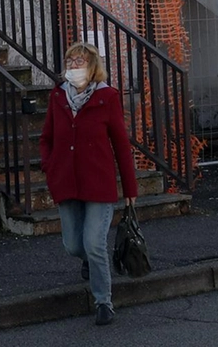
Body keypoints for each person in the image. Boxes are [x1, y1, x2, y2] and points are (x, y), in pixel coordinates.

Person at [39, 41, 139, 326]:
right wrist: (49, 165)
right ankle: (91, 262)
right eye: (70, 62)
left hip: (98, 182)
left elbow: (121, 144)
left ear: (92, 66)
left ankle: (103, 301)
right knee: (73, 245)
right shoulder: (58, 97)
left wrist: (130, 188)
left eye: (79, 62)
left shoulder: (107, 97)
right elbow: (46, 138)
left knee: (94, 242)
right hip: (66, 182)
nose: (73, 67)